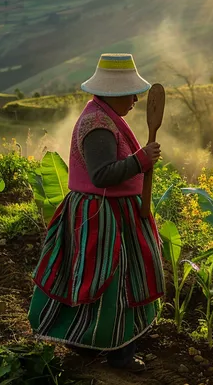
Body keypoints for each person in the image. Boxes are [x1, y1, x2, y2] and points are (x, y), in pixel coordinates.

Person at [28, 53, 164, 373]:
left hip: (109, 213)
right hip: (103, 216)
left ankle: (85, 343)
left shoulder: (104, 116)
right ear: (112, 93)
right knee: (117, 284)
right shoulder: (97, 126)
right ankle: (119, 355)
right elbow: (101, 175)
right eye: (130, 93)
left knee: (97, 281)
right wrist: (141, 161)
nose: (134, 99)